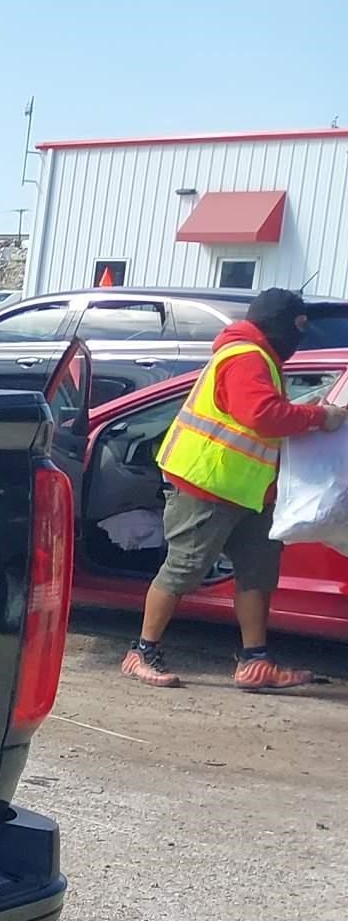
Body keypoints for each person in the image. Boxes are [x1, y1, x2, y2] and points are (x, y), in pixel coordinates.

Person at [121, 287, 348, 690]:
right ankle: (142, 651)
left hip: (250, 490)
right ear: (276, 324)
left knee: (258, 574)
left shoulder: (260, 357)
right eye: (296, 327)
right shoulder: (245, 356)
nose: (299, 337)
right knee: (183, 569)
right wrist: (320, 417)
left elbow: (263, 415)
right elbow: (261, 414)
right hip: (206, 484)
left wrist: (310, 412)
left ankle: (255, 661)